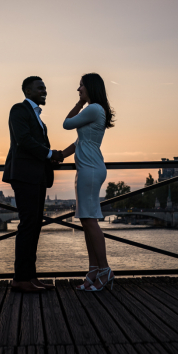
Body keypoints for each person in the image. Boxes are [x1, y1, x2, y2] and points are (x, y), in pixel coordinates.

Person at [2, 76, 64, 293]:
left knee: (34, 226)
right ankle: (20, 278)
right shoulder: (18, 110)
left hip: (36, 176)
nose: (45, 91)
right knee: (28, 226)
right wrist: (50, 153)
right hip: (25, 176)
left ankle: (30, 276)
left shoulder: (38, 117)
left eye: (45, 88)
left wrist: (50, 156)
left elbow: (32, 142)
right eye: (40, 88)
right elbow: (24, 140)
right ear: (28, 91)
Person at [61, 73, 115, 291]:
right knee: (86, 220)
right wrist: (60, 155)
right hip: (87, 168)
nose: (78, 89)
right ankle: (94, 269)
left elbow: (66, 123)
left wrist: (80, 103)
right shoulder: (95, 111)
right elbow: (79, 140)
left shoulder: (93, 108)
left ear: (90, 87)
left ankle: (104, 270)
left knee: (90, 221)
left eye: (81, 86)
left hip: (90, 169)